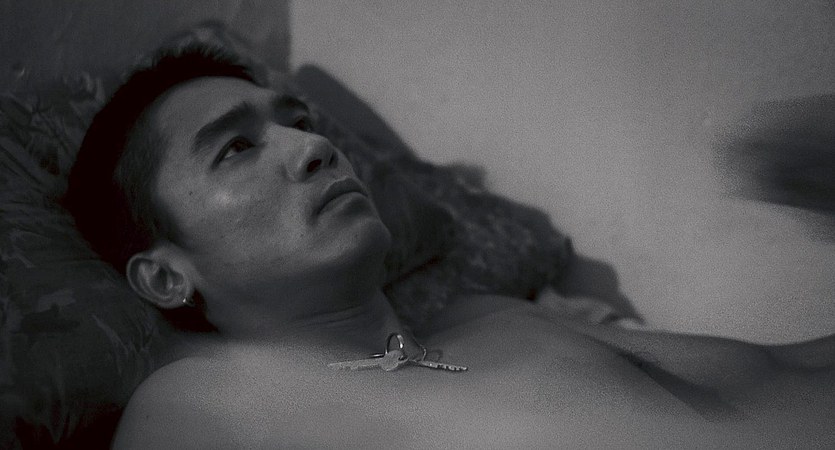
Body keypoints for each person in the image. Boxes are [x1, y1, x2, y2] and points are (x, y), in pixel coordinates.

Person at [65, 45, 834, 448]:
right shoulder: (199, 404)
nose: (312, 146)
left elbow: (787, 377)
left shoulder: (499, 321)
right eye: (234, 148)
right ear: (164, 277)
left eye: (298, 122)